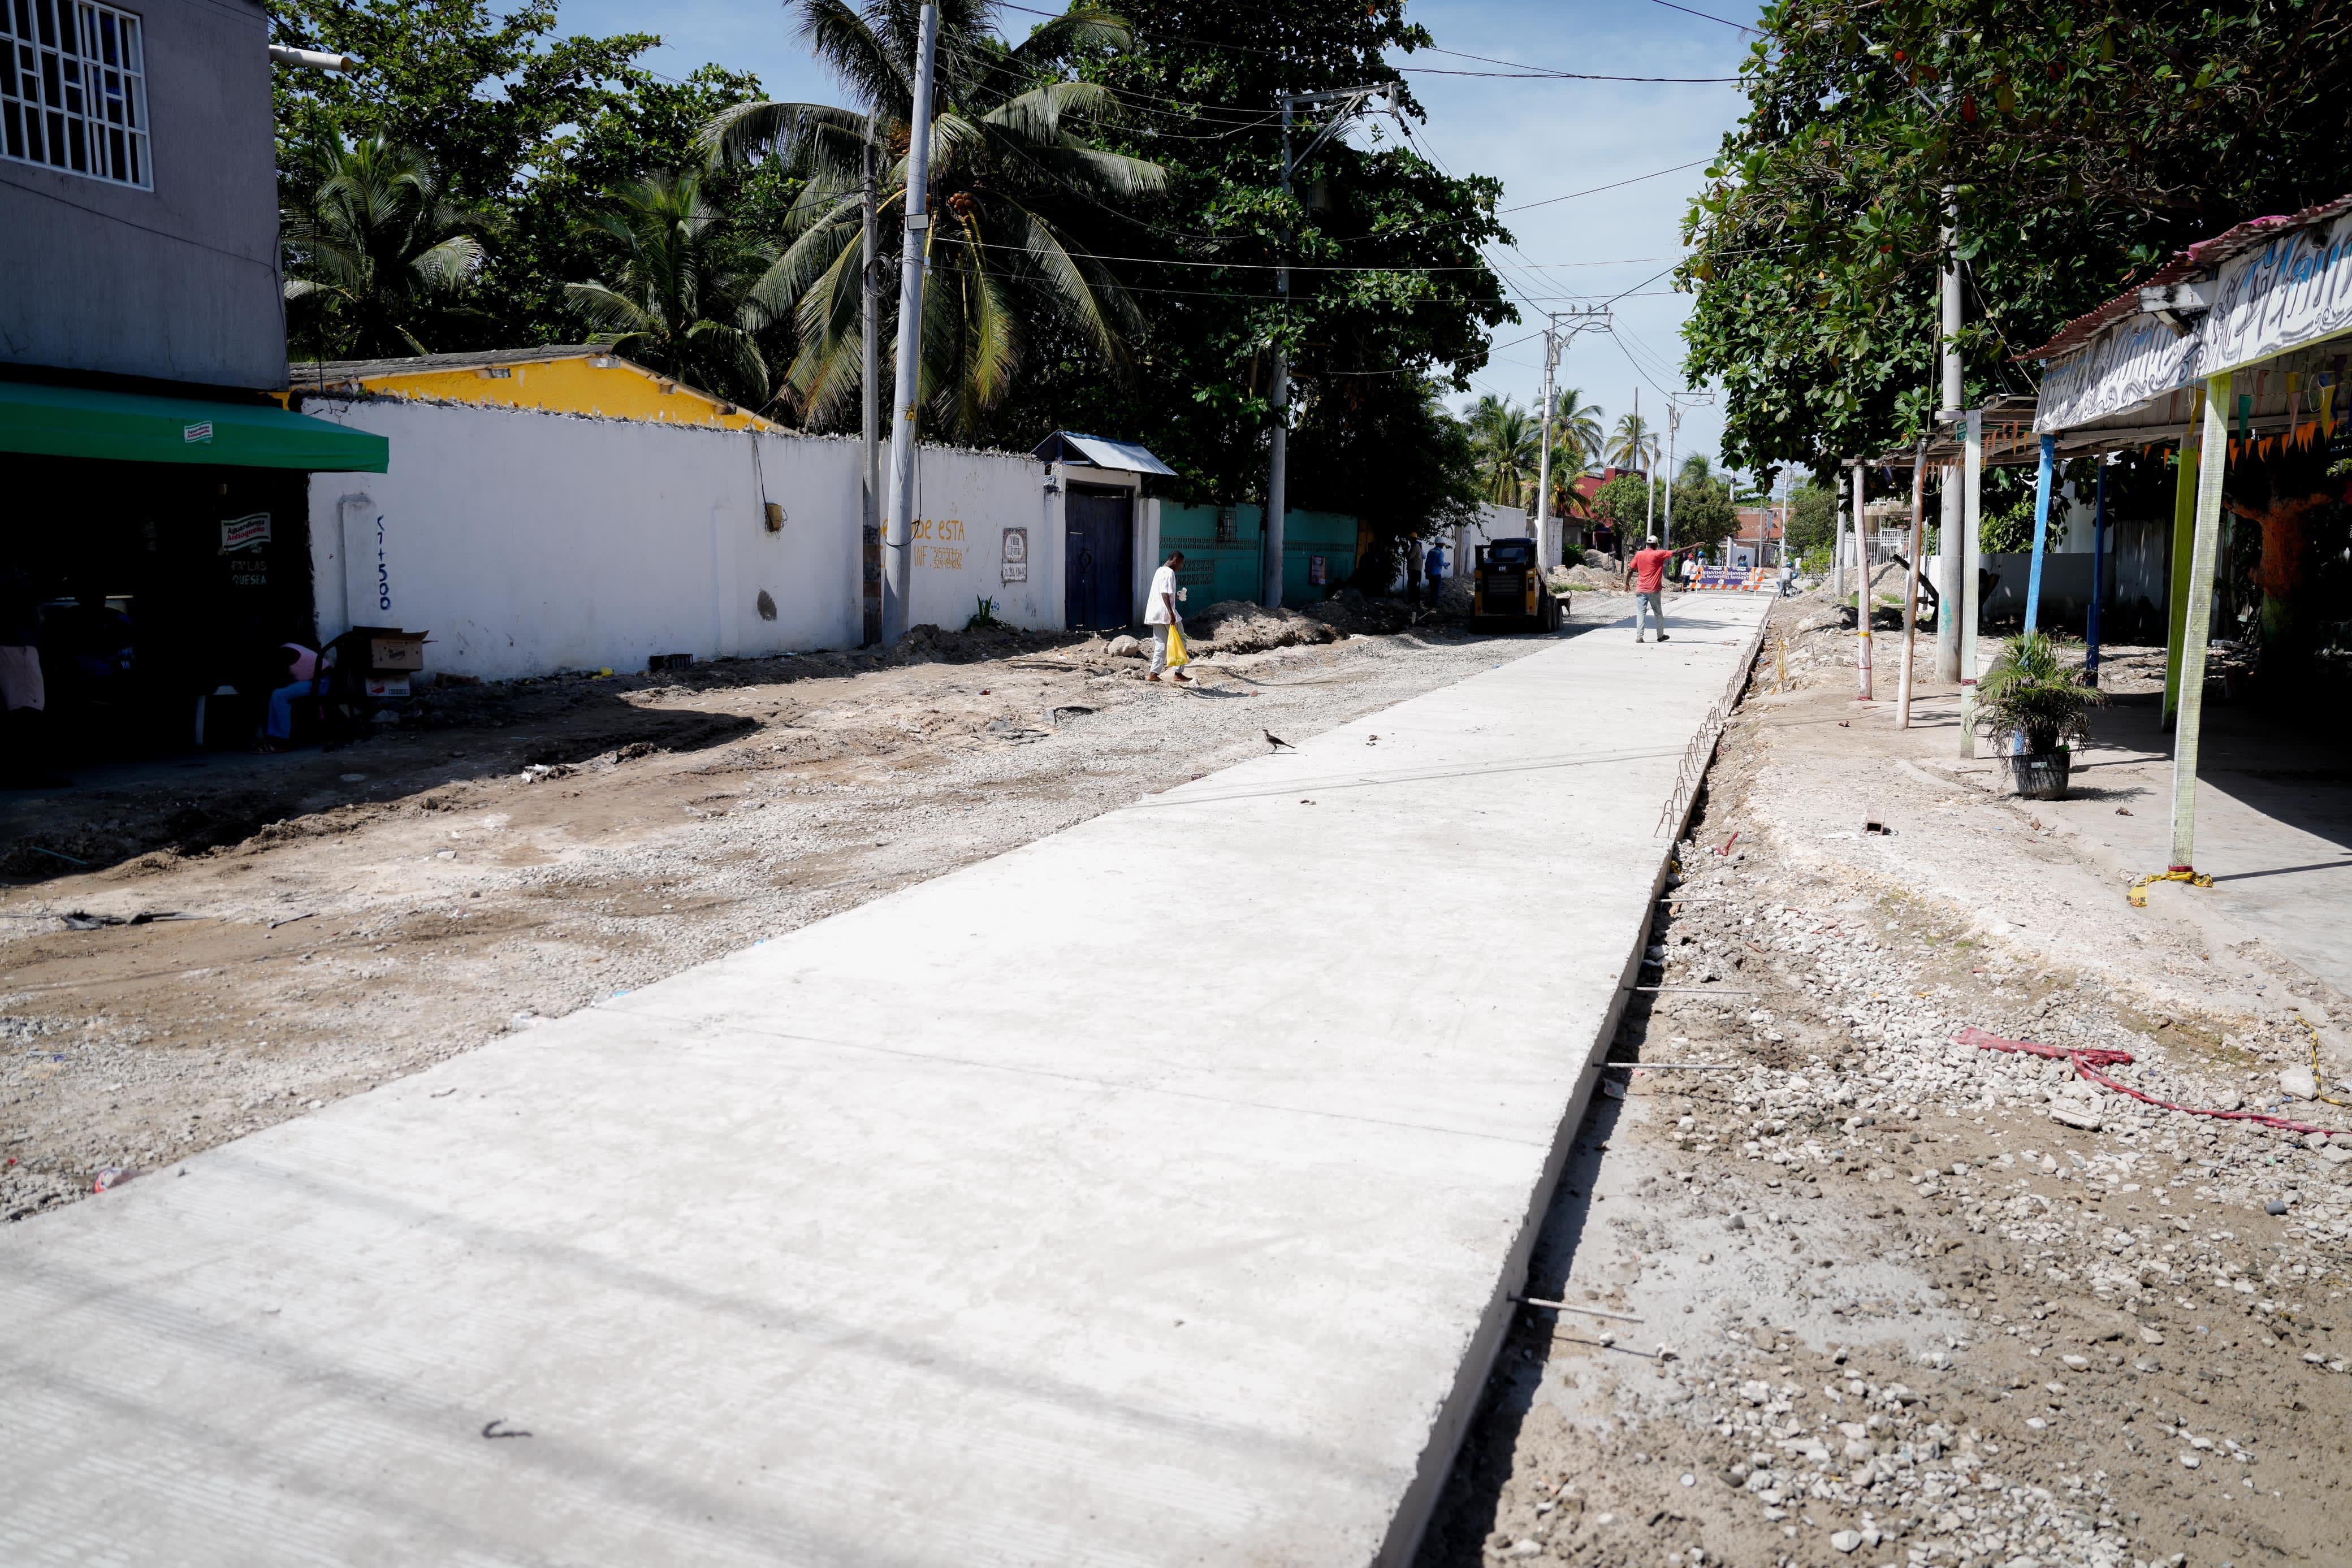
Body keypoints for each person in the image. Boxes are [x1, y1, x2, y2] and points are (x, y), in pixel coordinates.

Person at [258, 642, 321, 751]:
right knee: (279, 694)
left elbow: (282, 679)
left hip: (321, 683)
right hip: (317, 682)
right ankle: (276, 737)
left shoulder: (285, 652)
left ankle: (282, 740)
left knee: (279, 695)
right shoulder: (290, 647)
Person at [1144, 549, 1190, 684]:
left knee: (1161, 645)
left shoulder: (1159, 571)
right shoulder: (1169, 572)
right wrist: (1171, 613)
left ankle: (1153, 673)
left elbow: (1164, 593)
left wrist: (1176, 596)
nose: (1180, 567)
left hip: (1155, 613)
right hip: (1165, 613)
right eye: (1181, 564)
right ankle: (1178, 673)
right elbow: (1164, 593)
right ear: (1175, 560)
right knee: (1182, 640)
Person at [1628, 535, 1672, 643]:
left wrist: (1626, 583)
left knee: (1641, 613)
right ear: (1656, 544)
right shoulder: (1659, 553)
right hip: (1653, 590)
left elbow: (1630, 570)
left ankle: (1639, 637)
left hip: (1641, 589)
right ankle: (1660, 636)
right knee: (1658, 613)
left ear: (1647, 544)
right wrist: (1693, 546)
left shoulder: (1639, 554)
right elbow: (1677, 551)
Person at [1423, 540, 1446, 609]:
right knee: (1436, 590)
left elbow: (1427, 563)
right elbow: (1441, 563)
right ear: (1440, 544)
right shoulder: (1441, 553)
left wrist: (1426, 572)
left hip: (1430, 573)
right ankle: (1434, 605)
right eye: (1443, 543)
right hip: (1437, 574)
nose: (1444, 545)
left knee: (1432, 589)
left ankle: (1431, 603)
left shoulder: (1430, 551)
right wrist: (1446, 564)